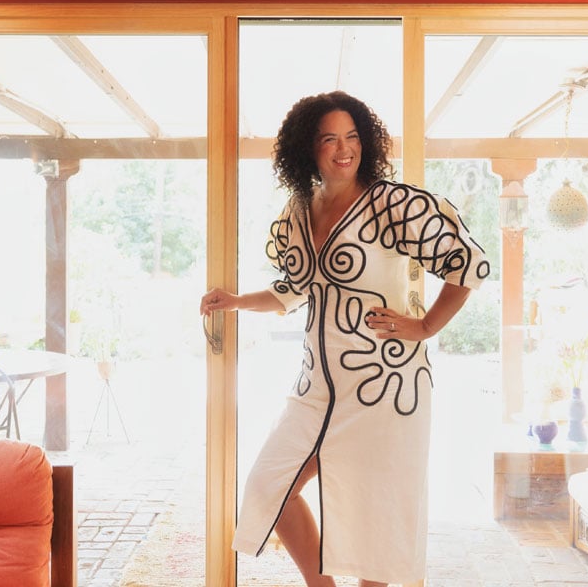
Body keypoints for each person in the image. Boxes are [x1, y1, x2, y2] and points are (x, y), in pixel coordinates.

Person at [200, 91, 490, 587]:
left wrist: (423, 327)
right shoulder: (298, 211)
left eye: (352, 137)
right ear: (306, 148)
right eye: (329, 138)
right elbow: (291, 290)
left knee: (370, 523)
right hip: (316, 387)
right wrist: (234, 302)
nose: (343, 149)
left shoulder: (391, 204)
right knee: (271, 484)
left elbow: (468, 264)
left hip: (386, 387)